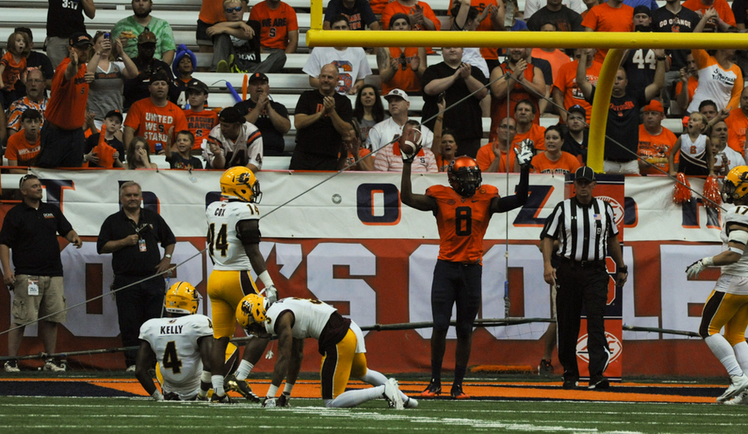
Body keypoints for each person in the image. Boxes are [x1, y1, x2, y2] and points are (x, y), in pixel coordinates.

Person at [401, 142, 534, 399]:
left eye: (474, 175)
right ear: (453, 179)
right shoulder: (440, 195)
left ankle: (458, 385)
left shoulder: (487, 196)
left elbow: (519, 199)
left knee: (464, 328)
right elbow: (407, 198)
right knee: (440, 325)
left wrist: (525, 168)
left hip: (471, 270)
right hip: (446, 267)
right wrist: (407, 164)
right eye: (465, 177)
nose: (471, 181)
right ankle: (435, 382)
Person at [236, 294, 414, 409]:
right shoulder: (285, 308)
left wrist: (269, 397)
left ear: (258, 312)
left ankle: (383, 391)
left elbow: (284, 356)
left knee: (331, 402)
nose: (253, 330)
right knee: (363, 372)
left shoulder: (277, 317)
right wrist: (286, 394)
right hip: (351, 328)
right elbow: (297, 356)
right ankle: (407, 400)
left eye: (251, 324)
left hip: (338, 338)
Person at [541, 166, 628, 390]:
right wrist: (548, 264)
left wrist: (621, 266)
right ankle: (570, 373)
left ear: (593, 185)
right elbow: (547, 237)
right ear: (574, 186)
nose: (582, 187)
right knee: (568, 323)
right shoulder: (563, 208)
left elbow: (612, 239)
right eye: (578, 183)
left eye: (586, 183)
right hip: (568, 270)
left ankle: (597, 374)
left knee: (596, 323)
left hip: (596, 271)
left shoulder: (604, 208)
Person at [685, 166, 748, 405]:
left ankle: (738, 378)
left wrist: (705, 262)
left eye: (730, 185)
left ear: (742, 188)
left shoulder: (739, 213)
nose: (725, 188)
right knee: (736, 335)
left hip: (735, 281)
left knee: (707, 329)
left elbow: (734, 254)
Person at [205, 167, 277, 403]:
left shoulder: (213, 207)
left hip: (215, 277)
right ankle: (239, 376)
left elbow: (211, 244)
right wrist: (269, 284)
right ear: (242, 186)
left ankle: (217, 391)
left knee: (220, 337)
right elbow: (253, 251)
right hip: (237, 276)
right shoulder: (247, 209)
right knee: (266, 327)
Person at [1, 174, 81, 373]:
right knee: (21, 319)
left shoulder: (51, 210)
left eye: (39, 185)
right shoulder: (15, 214)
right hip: (27, 274)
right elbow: (4, 243)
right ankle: (11, 361)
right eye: (34, 186)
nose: (39, 188)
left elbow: (66, 230)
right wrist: (7, 270)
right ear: (24, 191)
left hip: (54, 273)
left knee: (52, 318)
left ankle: (50, 360)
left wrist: (74, 237)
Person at [97, 181, 176, 372]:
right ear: (121, 198)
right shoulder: (113, 221)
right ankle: (132, 363)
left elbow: (170, 240)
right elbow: (102, 247)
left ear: (141, 197)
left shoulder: (152, 217)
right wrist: (123, 242)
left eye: (135, 195)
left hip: (153, 279)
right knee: (129, 324)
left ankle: (155, 363)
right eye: (128, 195)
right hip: (126, 280)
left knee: (155, 323)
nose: (132, 199)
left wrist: (166, 259)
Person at [135, 281, 238, 401]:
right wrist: (201, 396)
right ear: (192, 303)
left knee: (160, 363)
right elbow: (209, 364)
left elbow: (139, 371)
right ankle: (220, 387)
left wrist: (159, 398)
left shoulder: (150, 326)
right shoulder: (199, 322)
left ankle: (165, 395)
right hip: (197, 389)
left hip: (169, 391)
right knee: (231, 346)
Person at [577, 48, 665, 175]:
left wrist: (661, 58)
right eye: (613, 78)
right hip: (605, 162)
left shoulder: (635, 97)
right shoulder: (599, 96)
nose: (616, 81)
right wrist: (584, 55)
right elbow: (581, 81)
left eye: (619, 78)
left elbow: (658, 85)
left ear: (626, 82)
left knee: (634, 196)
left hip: (630, 163)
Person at [39, 32, 101, 168]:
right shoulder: (64, 67)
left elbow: (86, 70)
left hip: (76, 133)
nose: (83, 51)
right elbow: (69, 73)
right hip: (56, 134)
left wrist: (98, 53)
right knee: (49, 173)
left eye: (86, 47)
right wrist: (73, 63)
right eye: (79, 48)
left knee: (74, 173)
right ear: (70, 48)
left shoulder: (83, 67)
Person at [422, 47, 489, 158]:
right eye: (448, 47)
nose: (452, 50)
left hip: (468, 134)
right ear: (442, 51)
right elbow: (429, 89)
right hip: (436, 134)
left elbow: (482, 93)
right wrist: (454, 77)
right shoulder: (432, 70)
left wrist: (467, 77)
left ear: (463, 50)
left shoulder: (474, 71)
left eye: (456, 47)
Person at [290, 63, 353, 170]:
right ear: (319, 78)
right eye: (323, 76)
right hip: (303, 156)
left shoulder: (344, 102)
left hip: (328, 158)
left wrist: (332, 111)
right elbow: (298, 123)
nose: (326, 80)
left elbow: (346, 131)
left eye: (330, 77)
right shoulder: (307, 96)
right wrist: (321, 113)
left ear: (337, 81)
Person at [447, 0, 505, 71]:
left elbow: (503, 30)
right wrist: (478, 19)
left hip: (489, 54)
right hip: (464, 54)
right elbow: (454, 26)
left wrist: (494, 19)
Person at [123, 70, 189, 155]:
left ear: (168, 88)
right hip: (141, 155)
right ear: (149, 88)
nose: (160, 87)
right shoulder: (138, 106)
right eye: (156, 84)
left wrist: (170, 153)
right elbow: (128, 131)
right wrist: (132, 154)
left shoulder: (177, 111)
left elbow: (182, 138)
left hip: (167, 157)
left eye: (163, 84)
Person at [245, 0, 299, 74]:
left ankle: (255, 72)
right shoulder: (257, 9)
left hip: (280, 51)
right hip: (261, 50)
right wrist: (263, 54)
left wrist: (284, 57)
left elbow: (293, 40)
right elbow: (252, 37)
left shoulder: (289, 10)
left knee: (278, 56)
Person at [489, 47, 547, 138]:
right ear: (508, 49)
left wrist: (523, 80)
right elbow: (498, 93)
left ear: (526, 49)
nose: (516, 50)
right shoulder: (498, 70)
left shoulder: (535, 70)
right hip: (503, 128)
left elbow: (542, 93)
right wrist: (514, 75)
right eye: (513, 47)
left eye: (520, 47)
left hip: (529, 128)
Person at [111, 0, 176, 65]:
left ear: (151, 4)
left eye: (144, 0)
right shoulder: (121, 26)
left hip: (155, 68)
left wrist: (161, 69)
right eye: (137, 0)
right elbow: (110, 55)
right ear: (132, 4)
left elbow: (169, 51)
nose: (141, 3)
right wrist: (117, 46)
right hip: (129, 71)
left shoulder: (163, 25)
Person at [234, 72, 291, 157]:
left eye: (263, 84)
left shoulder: (278, 107)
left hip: (274, 152)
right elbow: (239, 127)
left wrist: (269, 108)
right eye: (255, 84)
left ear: (268, 88)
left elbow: (285, 128)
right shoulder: (241, 106)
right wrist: (258, 107)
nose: (259, 87)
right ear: (249, 89)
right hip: (247, 152)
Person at [87, 32, 138, 122]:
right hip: (95, 118)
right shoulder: (88, 65)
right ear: (94, 46)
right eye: (101, 43)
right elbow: (88, 73)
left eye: (108, 43)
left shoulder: (118, 65)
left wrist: (121, 52)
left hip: (115, 117)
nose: (105, 45)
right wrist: (99, 52)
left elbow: (134, 73)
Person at [582, 0, 634, 64]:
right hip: (599, 63)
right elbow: (587, 39)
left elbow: (634, 38)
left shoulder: (631, 11)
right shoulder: (596, 11)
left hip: (625, 63)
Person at [122, 31, 179, 110]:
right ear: (138, 47)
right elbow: (123, 91)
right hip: (134, 108)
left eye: (151, 47)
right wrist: (139, 78)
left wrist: (166, 79)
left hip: (158, 109)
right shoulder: (130, 64)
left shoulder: (163, 66)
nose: (148, 50)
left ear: (155, 48)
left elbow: (175, 93)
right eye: (145, 47)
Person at [207, 0, 261, 73]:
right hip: (232, 64)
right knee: (222, 36)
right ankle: (217, 70)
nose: (234, 12)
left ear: (243, 10)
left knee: (280, 56)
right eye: (229, 10)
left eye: (238, 9)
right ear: (224, 13)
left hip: (253, 67)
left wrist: (225, 29)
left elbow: (248, 35)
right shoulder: (219, 25)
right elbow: (210, 30)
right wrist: (239, 24)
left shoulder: (254, 24)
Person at [367, 88, 433, 152]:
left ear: (408, 104)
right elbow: (371, 157)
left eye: (397, 100)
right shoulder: (377, 129)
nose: (393, 103)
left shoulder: (423, 130)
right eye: (390, 101)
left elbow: (431, 154)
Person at [376, 14, 427, 95]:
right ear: (391, 29)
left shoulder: (419, 46)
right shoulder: (385, 48)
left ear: (410, 27)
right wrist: (392, 70)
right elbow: (383, 77)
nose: (401, 27)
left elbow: (425, 76)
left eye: (404, 24)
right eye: (397, 24)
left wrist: (416, 70)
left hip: (414, 91)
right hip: (391, 93)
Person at [202, 107, 263, 173]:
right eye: (221, 124)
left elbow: (255, 164)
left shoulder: (251, 133)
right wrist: (218, 155)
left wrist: (237, 176)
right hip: (220, 175)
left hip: (244, 174)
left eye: (226, 126)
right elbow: (218, 167)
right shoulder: (215, 134)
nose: (222, 128)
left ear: (237, 125)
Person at [687, 46, 743, 114]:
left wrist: (727, 113)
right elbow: (696, 45)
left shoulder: (737, 70)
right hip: (695, 112)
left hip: (719, 116)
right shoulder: (706, 61)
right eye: (731, 44)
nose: (734, 47)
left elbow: (737, 95)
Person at [553, 48, 601, 123]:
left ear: (595, 50)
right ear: (579, 49)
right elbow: (557, 93)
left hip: (595, 122)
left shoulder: (602, 69)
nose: (587, 50)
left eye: (590, 47)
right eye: (585, 47)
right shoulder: (566, 68)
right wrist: (564, 115)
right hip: (571, 120)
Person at [637, 100, 677, 175]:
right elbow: (624, 161)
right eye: (646, 113)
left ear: (662, 116)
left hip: (663, 179)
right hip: (638, 178)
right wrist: (638, 163)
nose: (649, 117)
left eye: (654, 113)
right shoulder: (634, 132)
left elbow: (676, 162)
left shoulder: (671, 137)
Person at [669, 112, 713, 176]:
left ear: (702, 126)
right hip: (684, 172)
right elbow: (672, 154)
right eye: (690, 120)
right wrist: (671, 171)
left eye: (694, 120)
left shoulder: (705, 139)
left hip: (701, 173)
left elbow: (711, 156)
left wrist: (711, 171)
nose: (690, 122)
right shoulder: (682, 138)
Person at [183, 79, 217, 152]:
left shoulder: (213, 115)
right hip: (186, 151)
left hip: (208, 151)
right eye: (191, 94)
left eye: (197, 94)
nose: (193, 97)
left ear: (205, 97)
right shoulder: (182, 114)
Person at [0, 29, 30, 109]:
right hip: (1, 87)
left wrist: (28, 85)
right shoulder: (8, 56)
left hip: (10, 87)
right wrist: (2, 85)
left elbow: (23, 76)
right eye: (18, 41)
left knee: (13, 106)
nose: (21, 43)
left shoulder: (23, 60)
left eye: (23, 42)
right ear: (12, 43)